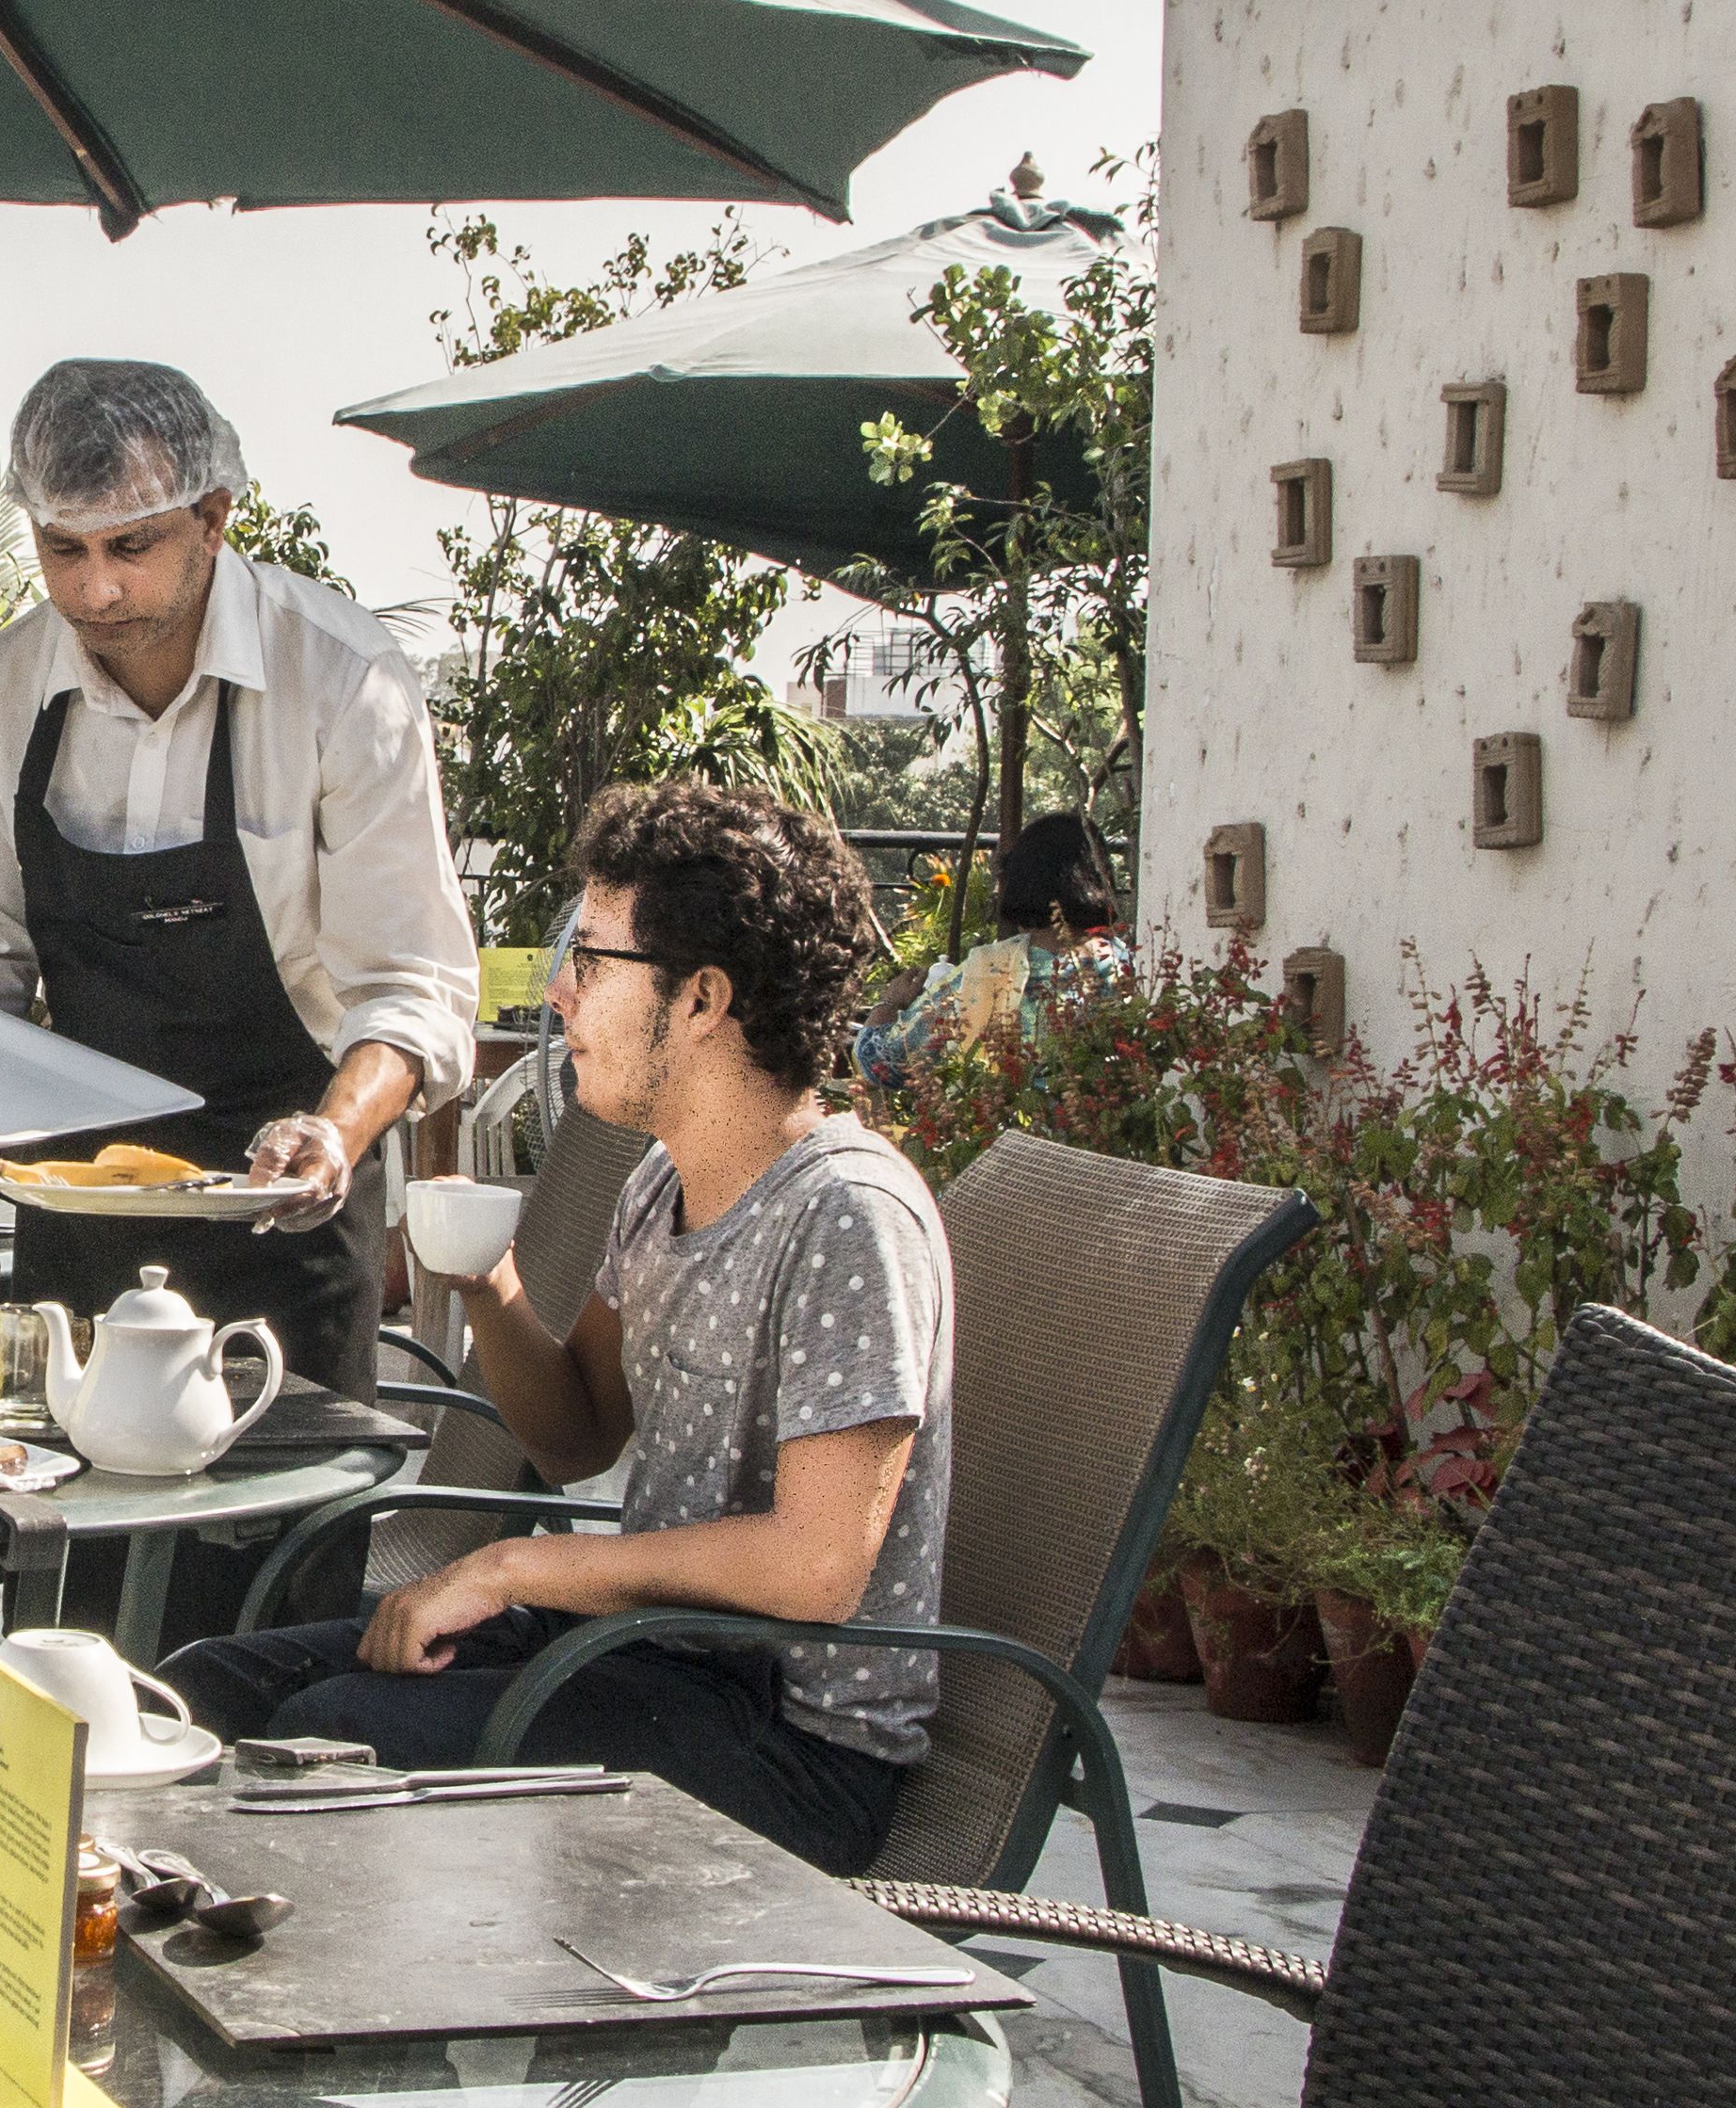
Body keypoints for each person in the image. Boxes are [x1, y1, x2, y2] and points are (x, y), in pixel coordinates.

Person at [161, 784, 953, 1874]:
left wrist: (518, 1569)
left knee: (333, 1737)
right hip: (645, 1655)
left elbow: (816, 1568)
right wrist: (490, 1285)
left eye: (589, 962)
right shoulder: (660, 1182)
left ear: (703, 999)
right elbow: (577, 1437)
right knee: (207, 1686)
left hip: (792, 1741)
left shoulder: (847, 1215)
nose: (561, 998)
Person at [0, 359, 478, 1403]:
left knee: (271, 1561)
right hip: (77, 1221)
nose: (96, 588)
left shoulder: (341, 679)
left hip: (287, 1217)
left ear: (214, 516)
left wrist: (335, 1132)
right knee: (68, 1558)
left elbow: (411, 986)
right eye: (62, 549)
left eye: (132, 545)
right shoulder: (3, 691)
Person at [853, 809, 1127, 1091]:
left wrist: (890, 1003)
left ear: (1023, 879)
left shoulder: (990, 969)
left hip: (1003, 1130)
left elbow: (882, 1064)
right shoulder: (1127, 968)